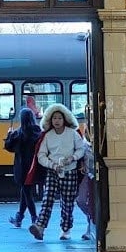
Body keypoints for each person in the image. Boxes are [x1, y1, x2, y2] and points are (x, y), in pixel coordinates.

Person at [29, 104, 89, 242]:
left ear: (65, 119)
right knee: (47, 198)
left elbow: (81, 150)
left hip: (70, 171)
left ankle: (66, 229)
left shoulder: (73, 134)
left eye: (59, 118)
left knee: (67, 203)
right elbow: (41, 155)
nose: (57, 121)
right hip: (53, 171)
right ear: (50, 120)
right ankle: (40, 227)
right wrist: (52, 165)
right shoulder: (47, 136)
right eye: (54, 118)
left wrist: (72, 158)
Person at [4, 106, 43, 228]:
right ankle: (19, 217)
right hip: (34, 167)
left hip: (22, 168)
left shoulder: (18, 134)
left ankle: (34, 218)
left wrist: (9, 135)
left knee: (26, 192)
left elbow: (9, 147)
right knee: (25, 192)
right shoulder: (38, 132)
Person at [75, 112, 96, 242]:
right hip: (86, 175)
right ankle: (91, 220)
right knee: (81, 200)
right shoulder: (83, 142)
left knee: (94, 201)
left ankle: (90, 226)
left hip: (97, 175)